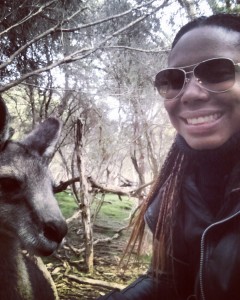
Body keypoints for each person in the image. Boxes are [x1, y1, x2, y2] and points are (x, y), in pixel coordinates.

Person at [97, 13, 240, 300]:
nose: (189, 94)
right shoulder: (176, 192)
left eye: (217, 72)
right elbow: (168, 282)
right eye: (174, 79)